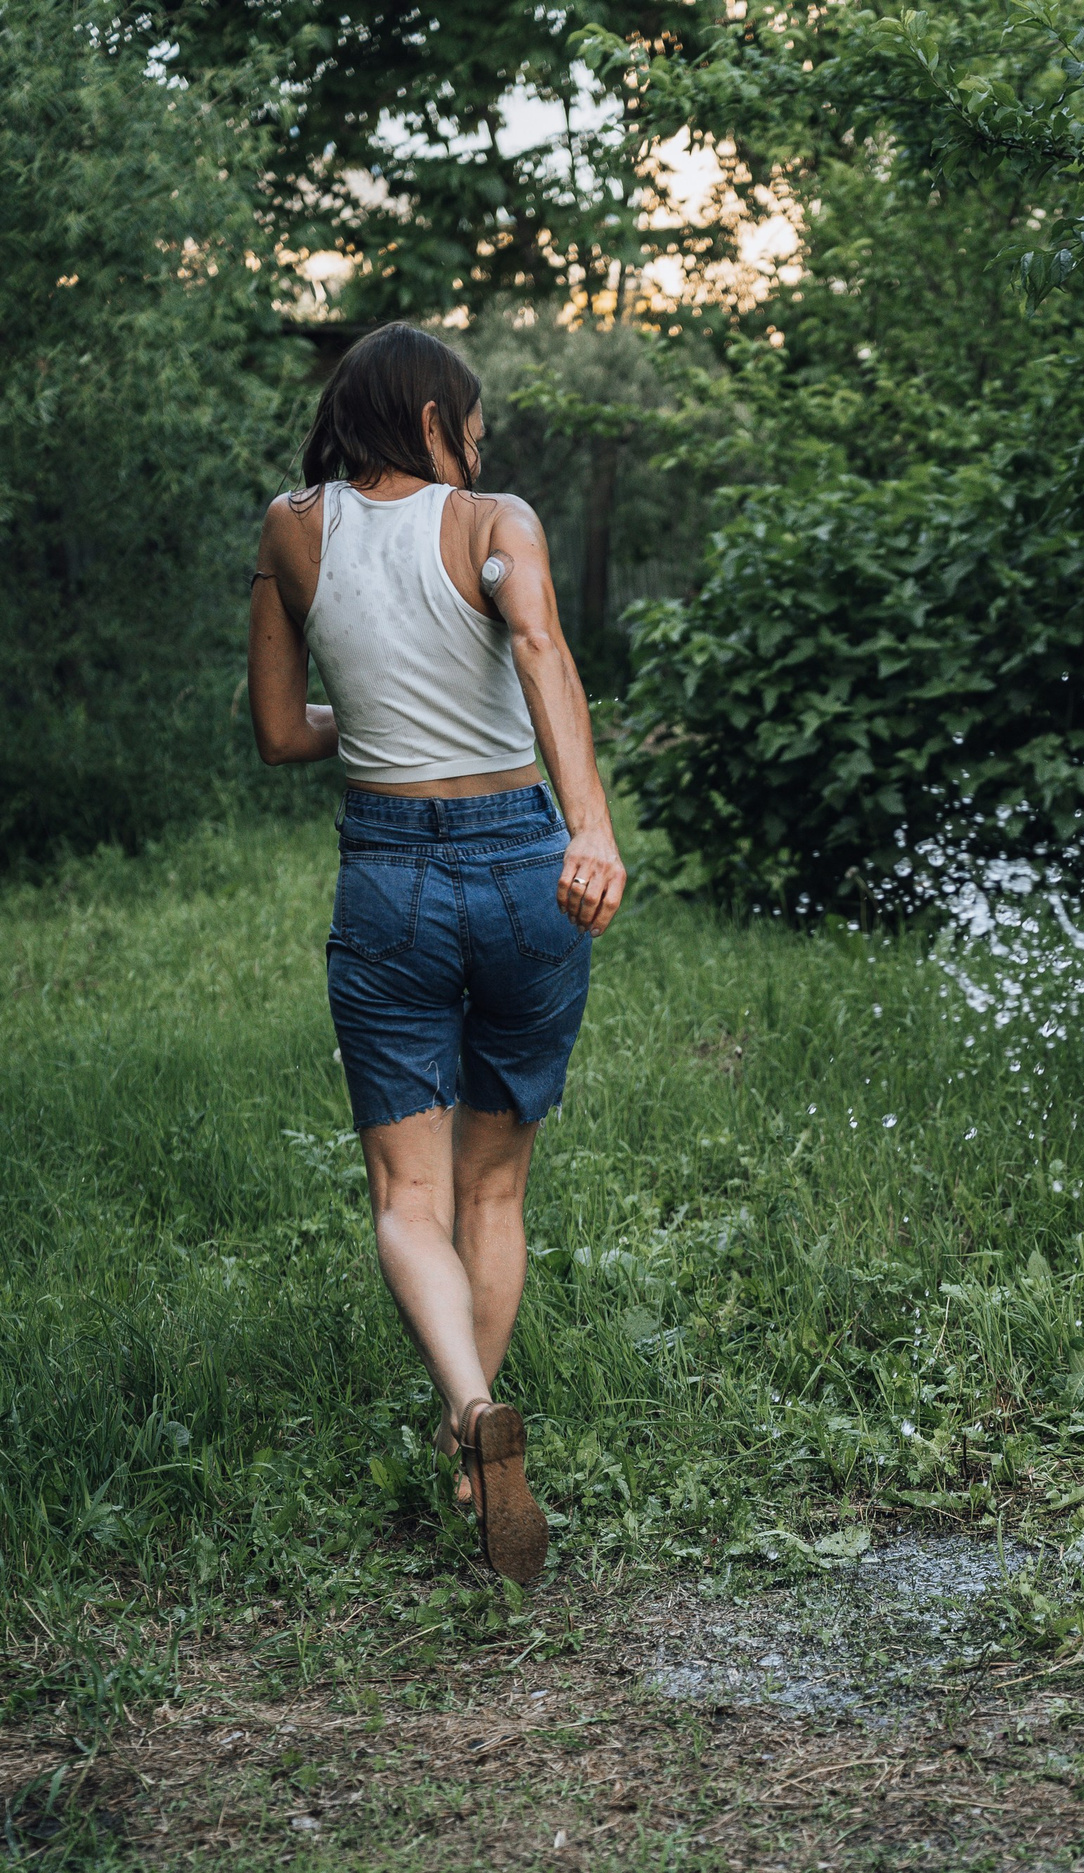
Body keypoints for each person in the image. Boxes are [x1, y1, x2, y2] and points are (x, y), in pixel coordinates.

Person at [247, 322, 627, 1584]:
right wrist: (591, 829)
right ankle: (476, 1463)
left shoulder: (292, 530)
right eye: (473, 426)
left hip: (389, 878)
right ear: (431, 423)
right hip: (525, 865)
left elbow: (279, 733)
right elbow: (539, 650)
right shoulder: (495, 522)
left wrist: (372, 708)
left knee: (408, 1198)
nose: (480, 446)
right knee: (492, 1189)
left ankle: (469, 1410)